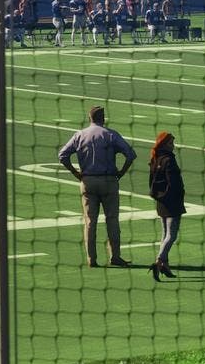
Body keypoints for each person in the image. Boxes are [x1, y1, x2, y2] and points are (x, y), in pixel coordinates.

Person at [58, 105, 137, 267]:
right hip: (108, 181)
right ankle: (115, 256)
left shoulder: (80, 135)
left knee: (90, 222)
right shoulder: (111, 135)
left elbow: (62, 155)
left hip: (88, 181)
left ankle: (91, 259)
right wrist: (121, 172)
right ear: (103, 118)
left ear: (89, 118)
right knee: (112, 220)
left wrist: (75, 172)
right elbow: (130, 154)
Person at [146, 132, 185, 280]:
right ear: (165, 145)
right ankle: (159, 260)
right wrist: (178, 195)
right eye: (171, 143)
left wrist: (158, 196)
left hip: (161, 201)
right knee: (171, 235)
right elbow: (174, 183)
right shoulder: (169, 160)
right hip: (172, 202)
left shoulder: (155, 159)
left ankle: (165, 265)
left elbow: (151, 182)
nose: (173, 146)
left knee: (164, 234)